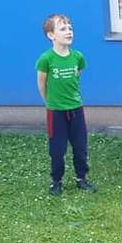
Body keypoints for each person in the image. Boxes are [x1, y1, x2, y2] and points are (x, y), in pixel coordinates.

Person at [35, 14, 96, 196]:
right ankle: (56, 181)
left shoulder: (77, 57)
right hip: (56, 112)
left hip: (76, 110)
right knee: (57, 149)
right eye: (62, 29)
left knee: (80, 147)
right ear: (51, 35)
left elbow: (78, 74)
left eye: (70, 28)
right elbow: (41, 84)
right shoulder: (46, 59)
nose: (68, 32)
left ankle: (81, 178)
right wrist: (50, 103)